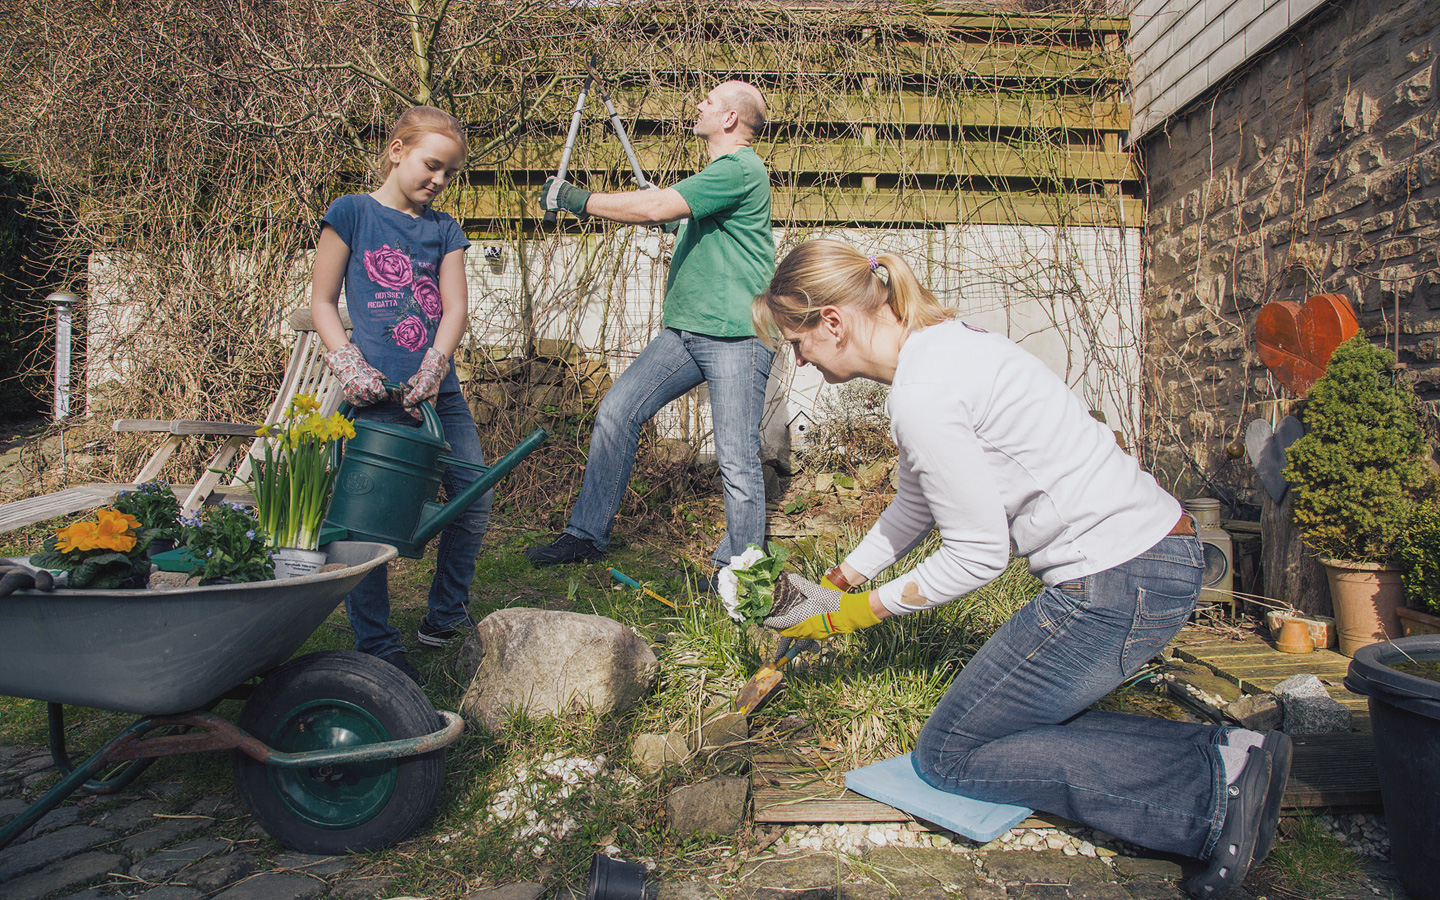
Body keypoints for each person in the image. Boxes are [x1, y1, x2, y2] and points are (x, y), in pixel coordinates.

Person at [751, 239, 1293, 900]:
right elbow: (917, 499)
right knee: (1001, 729)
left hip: (1119, 582)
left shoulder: (924, 390)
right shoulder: (942, 347)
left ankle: (1209, 799)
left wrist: (854, 616)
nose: (799, 360)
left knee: (949, 755)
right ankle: (1230, 758)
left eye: (796, 342)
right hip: (1144, 561)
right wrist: (841, 581)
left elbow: (977, 556)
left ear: (832, 323)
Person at [526, 80, 776, 587]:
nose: (698, 102)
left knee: (737, 457)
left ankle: (743, 574)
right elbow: (685, 221)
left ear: (730, 119)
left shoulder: (739, 168)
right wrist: (673, 223)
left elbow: (657, 206)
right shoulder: (716, 176)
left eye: (709, 100)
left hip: (735, 336)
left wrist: (576, 197)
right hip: (686, 332)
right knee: (619, 411)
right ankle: (586, 535)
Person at [311, 105, 492, 685]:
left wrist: (437, 363)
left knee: (472, 496)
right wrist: (347, 363)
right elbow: (323, 301)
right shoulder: (352, 213)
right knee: (361, 521)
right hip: (371, 395)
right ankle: (376, 640)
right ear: (397, 150)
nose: (438, 181)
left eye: (448, 174)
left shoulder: (444, 230)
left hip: (438, 395)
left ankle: (444, 615)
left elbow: (456, 308)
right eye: (432, 166)